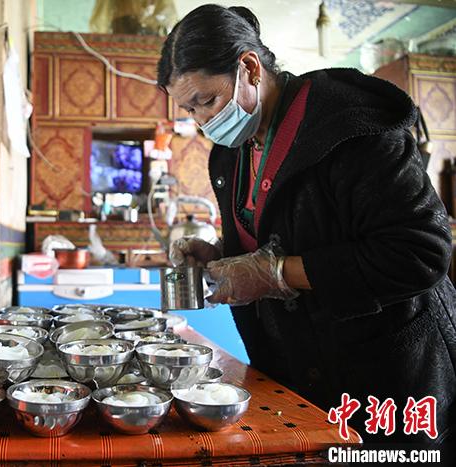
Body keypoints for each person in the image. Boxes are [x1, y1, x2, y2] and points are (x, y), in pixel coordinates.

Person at [158, 4, 456, 448]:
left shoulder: (351, 127)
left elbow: (421, 253)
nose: (202, 122)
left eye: (207, 101)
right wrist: (221, 253)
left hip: (386, 377)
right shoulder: (233, 152)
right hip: (298, 369)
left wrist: (276, 274)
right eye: (189, 109)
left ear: (249, 68)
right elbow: (283, 230)